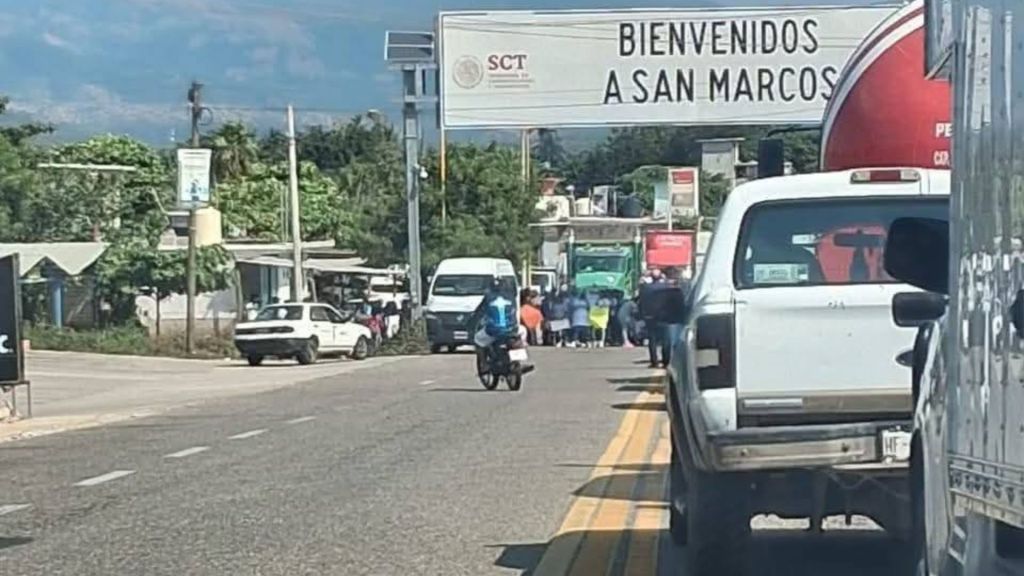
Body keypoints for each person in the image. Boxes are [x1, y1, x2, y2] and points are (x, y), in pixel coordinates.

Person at [472, 278, 522, 368]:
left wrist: (471, 321)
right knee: (519, 337)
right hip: (512, 329)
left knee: (478, 340)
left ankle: (484, 364)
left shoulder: (488, 297)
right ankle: (516, 361)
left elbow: (479, 312)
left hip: (494, 330)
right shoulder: (511, 297)